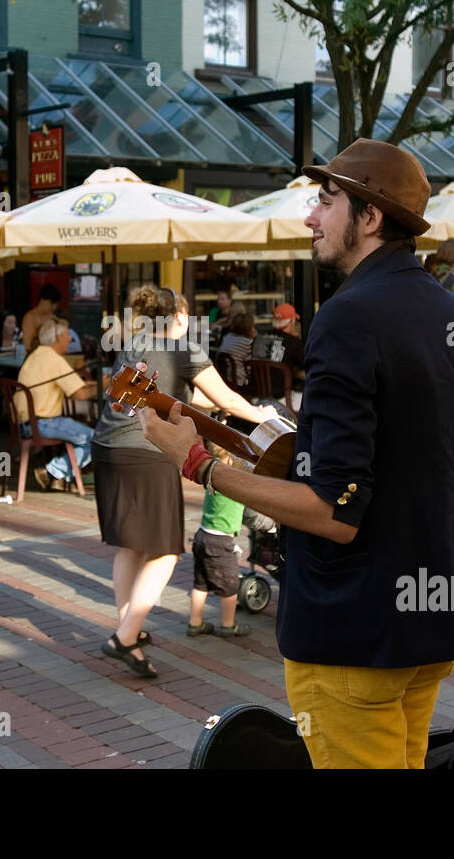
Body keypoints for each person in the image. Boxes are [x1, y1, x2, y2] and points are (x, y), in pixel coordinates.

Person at [137, 139, 454, 768]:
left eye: (326, 201)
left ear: (370, 217)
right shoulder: (450, 309)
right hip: (433, 616)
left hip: (356, 630)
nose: (310, 218)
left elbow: (333, 510)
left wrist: (200, 465)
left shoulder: (348, 317)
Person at [93, 286, 270, 678]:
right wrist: (263, 417)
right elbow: (227, 401)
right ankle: (124, 638)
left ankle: (129, 633)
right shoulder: (185, 349)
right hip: (146, 452)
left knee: (130, 547)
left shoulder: (135, 343)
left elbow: (171, 398)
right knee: (166, 551)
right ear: (178, 317)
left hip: (106, 447)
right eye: (187, 316)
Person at [186, 443, 270, 638]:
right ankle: (228, 625)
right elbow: (253, 507)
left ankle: (195, 623)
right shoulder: (233, 484)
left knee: (201, 584)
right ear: (231, 461)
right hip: (221, 543)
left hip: (202, 536)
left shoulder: (212, 475)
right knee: (230, 588)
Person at [14, 318, 97, 491]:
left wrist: (95, 385)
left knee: (87, 436)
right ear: (56, 338)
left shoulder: (35, 355)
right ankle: (52, 472)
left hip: (24, 424)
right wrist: (105, 386)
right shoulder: (54, 359)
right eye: (67, 335)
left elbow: (76, 387)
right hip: (42, 423)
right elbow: (80, 394)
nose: (70, 339)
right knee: (96, 439)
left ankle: (61, 479)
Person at [217, 310, 256, 390]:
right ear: (250, 327)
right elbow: (250, 365)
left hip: (225, 378)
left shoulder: (226, 337)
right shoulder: (247, 342)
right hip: (239, 380)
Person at [20, 283, 62, 356]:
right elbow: (27, 345)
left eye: (56, 305)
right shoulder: (30, 317)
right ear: (42, 300)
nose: (54, 308)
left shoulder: (53, 317)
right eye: (52, 304)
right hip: (35, 356)